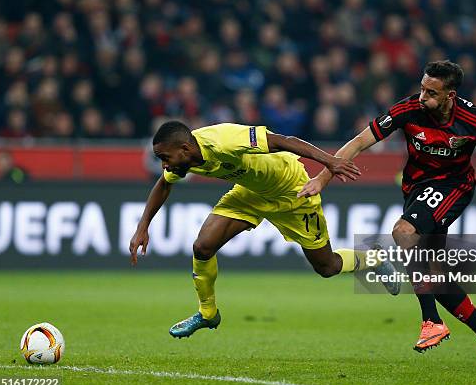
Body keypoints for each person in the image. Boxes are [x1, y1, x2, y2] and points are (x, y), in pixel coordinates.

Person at [298, 60, 476, 370]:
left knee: (403, 233)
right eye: (422, 89)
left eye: (432, 93)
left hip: (454, 188)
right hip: (415, 189)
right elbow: (357, 143)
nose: (423, 97)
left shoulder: (472, 119)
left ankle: (431, 321)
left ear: (450, 95)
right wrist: (321, 179)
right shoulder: (408, 109)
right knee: (433, 277)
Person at [129, 121, 398, 339]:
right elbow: (163, 185)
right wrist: (143, 227)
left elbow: (283, 140)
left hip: (292, 189)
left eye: (165, 157)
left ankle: (374, 258)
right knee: (202, 247)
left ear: (185, 148)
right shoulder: (184, 159)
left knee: (326, 267)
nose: (164, 165)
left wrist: (329, 162)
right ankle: (208, 313)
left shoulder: (224, 140)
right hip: (252, 193)